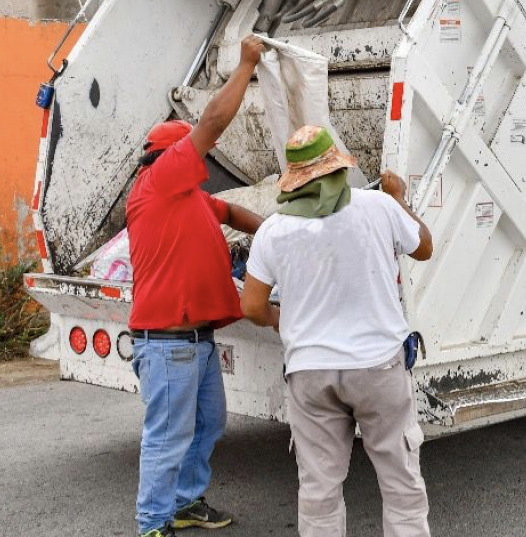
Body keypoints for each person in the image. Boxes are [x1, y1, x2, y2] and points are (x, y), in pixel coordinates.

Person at [241, 124, 433, 537]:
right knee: (401, 484)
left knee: (319, 491)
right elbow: (424, 247)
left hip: (310, 373)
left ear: (294, 180)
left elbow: (252, 305)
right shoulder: (378, 207)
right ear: (338, 169)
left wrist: (282, 322)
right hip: (379, 367)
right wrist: (399, 198)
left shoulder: (273, 230)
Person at [127, 35, 267, 537]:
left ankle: (184, 503)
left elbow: (228, 210)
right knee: (166, 437)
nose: (202, 166)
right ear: (169, 156)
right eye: (192, 156)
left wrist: (272, 230)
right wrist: (246, 65)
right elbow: (211, 124)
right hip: (168, 345)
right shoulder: (159, 181)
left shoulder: (187, 198)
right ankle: (152, 523)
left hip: (197, 344)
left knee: (208, 425)